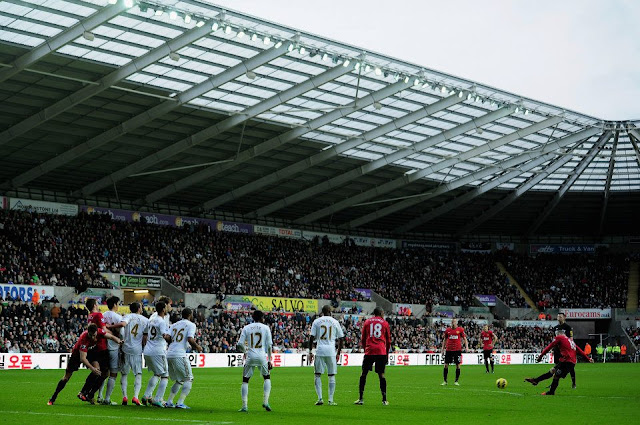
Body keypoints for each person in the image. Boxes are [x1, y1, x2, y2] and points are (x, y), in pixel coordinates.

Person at [48, 323, 122, 405]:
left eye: (94, 335)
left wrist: (118, 341)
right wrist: (92, 368)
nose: (93, 337)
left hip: (89, 352)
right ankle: (53, 398)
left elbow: (111, 336)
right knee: (66, 377)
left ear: (97, 332)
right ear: (88, 333)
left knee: (100, 371)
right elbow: (82, 358)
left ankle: (87, 394)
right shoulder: (84, 338)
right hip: (76, 355)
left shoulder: (100, 331)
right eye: (91, 335)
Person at [525, 329, 593, 395]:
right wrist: (588, 358)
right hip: (567, 361)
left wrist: (540, 357)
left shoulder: (559, 337)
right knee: (552, 371)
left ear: (559, 334)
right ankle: (536, 380)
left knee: (556, 376)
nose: (555, 336)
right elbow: (579, 350)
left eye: (556, 334)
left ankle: (551, 392)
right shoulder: (570, 340)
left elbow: (549, 347)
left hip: (567, 361)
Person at [236, 310, 273, 413]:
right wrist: (269, 360)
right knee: (267, 378)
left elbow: (239, 344)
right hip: (262, 356)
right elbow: (269, 346)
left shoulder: (247, 328)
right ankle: (265, 401)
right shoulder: (266, 328)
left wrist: (245, 351)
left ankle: (244, 406)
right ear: (261, 318)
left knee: (245, 380)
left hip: (250, 355)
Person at [165, 308, 202, 409]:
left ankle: (169, 402)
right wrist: (197, 346)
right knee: (189, 378)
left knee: (179, 380)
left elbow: (167, 337)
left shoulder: (174, 325)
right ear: (190, 315)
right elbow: (190, 338)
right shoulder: (191, 325)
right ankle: (180, 403)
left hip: (169, 354)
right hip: (179, 354)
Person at [354, 307, 391, 406]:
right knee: (381, 375)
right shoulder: (385, 323)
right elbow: (388, 341)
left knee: (363, 374)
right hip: (381, 351)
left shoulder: (367, 322)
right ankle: (384, 400)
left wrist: (366, 348)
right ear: (381, 313)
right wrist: (386, 353)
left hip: (369, 350)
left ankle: (361, 399)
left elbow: (363, 338)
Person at [309, 305, 344, 406]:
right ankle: (331, 400)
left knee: (317, 375)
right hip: (331, 351)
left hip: (320, 350)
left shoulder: (317, 321)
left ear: (322, 312)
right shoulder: (335, 322)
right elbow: (341, 338)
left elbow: (311, 337)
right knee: (331, 375)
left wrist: (310, 351)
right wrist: (338, 352)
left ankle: (320, 398)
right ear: (330, 311)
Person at [78, 298, 109, 402]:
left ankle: (85, 392)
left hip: (94, 347)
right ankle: (89, 393)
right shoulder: (98, 315)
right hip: (101, 347)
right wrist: (114, 334)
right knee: (104, 373)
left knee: (97, 370)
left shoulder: (90, 316)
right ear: (95, 305)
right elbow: (104, 330)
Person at [142, 301, 171, 407]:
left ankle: (146, 395)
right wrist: (173, 339)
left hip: (148, 350)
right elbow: (165, 335)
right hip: (158, 351)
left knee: (157, 374)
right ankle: (158, 399)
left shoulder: (152, 319)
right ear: (163, 309)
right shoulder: (161, 321)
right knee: (165, 375)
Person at [120, 302, 149, 406]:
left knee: (124, 374)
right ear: (138, 308)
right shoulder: (145, 320)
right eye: (141, 307)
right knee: (138, 374)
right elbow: (145, 338)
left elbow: (122, 329)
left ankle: (124, 396)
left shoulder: (127, 317)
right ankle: (135, 397)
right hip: (137, 350)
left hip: (125, 348)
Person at [100, 296, 126, 405]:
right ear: (115, 304)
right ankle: (107, 398)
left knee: (104, 372)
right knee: (113, 373)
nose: (118, 305)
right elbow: (122, 333)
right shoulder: (117, 317)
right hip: (114, 347)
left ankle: (99, 396)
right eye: (118, 303)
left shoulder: (103, 315)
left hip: (102, 346)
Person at [441, 318, 468, 386]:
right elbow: (445, 339)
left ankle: (456, 381)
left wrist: (467, 347)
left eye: (455, 322)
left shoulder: (460, 330)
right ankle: (445, 381)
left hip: (457, 350)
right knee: (446, 365)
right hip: (449, 350)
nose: (453, 323)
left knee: (458, 365)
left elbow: (465, 338)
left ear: (456, 323)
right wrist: (442, 349)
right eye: (452, 322)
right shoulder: (448, 330)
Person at [551, 312, 576, 388]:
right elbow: (554, 339)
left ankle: (573, 382)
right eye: (558, 316)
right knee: (556, 367)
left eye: (560, 316)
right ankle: (554, 384)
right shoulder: (555, 328)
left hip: (565, 350)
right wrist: (553, 349)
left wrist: (571, 348)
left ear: (564, 317)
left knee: (570, 367)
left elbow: (571, 339)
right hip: (557, 350)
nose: (559, 318)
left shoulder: (568, 327)